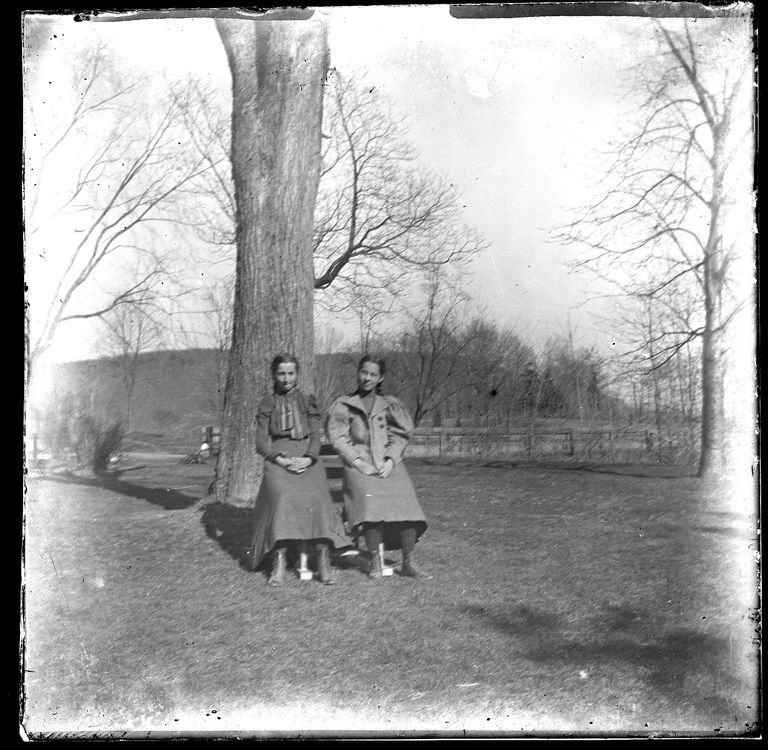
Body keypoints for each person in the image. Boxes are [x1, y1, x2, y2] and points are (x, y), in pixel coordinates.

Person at [246, 354, 349, 585]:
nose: (286, 379)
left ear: (297, 374)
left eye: (290, 373)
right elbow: (261, 442)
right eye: (281, 373)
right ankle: (279, 562)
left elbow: (315, 437)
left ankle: (323, 560)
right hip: (279, 457)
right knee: (282, 497)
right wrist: (279, 459)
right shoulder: (267, 403)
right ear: (274, 375)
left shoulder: (307, 401)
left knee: (318, 498)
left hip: (306, 458)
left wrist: (309, 458)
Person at [325, 355, 427, 579]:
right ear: (358, 373)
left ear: (381, 378)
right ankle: (375, 561)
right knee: (369, 503)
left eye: (372, 374)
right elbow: (338, 438)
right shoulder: (344, 405)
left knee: (407, 502)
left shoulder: (390, 405)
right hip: (359, 467)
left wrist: (390, 461)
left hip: (388, 465)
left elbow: (400, 435)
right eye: (364, 373)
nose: (367, 378)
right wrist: (358, 462)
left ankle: (408, 562)